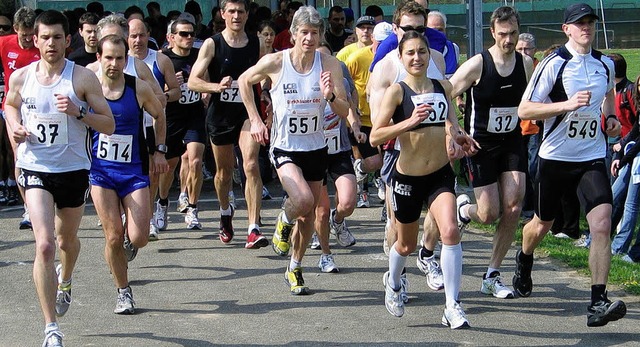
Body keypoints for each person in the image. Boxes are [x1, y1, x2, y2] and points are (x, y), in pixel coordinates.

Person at [4, 10, 114, 346]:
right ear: (34, 40)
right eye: (44, 37)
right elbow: (10, 105)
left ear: (69, 40)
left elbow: (108, 124)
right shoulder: (21, 78)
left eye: (57, 37)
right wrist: (14, 127)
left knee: (66, 241)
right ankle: (51, 328)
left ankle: (65, 279)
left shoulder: (82, 78)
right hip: (36, 168)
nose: (51, 43)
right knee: (45, 244)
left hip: (73, 171)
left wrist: (79, 111)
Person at [513, 3, 626, 327]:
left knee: (602, 222)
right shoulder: (553, 64)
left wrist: (611, 119)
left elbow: (607, 98)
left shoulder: (604, 64)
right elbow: (525, 110)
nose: (586, 28)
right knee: (542, 225)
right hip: (554, 159)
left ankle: (597, 302)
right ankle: (525, 257)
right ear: (566, 29)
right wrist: (565, 104)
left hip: (590, 157)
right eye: (579, 24)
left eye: (590, 22)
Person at [238, 6, 349, 293]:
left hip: (316, 146)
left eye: (315, 33)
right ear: (293, 35)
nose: (309, 39)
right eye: (304, 32)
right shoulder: (276, 62)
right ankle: (283, 220)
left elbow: (344, 109)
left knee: (309, 215)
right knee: (301, 200)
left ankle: (294, 267)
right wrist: (254, 119)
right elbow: (243, 81)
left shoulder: (330, 65)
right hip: (284, 146)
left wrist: (330, 96)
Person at [370, 30, 476, 327]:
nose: (417, 58)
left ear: (429, 55)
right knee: (405, 245)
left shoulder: (442, 87)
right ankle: (393, 283)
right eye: (411, 53)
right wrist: (408, 122)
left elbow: (451, 124)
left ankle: (452, 306)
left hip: (440, 174)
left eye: (422, 52)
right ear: (401, 58)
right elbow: (375, 135)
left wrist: (460, 137)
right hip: (408, 178)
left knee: (451, 232)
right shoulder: (397, 92)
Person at [450, 6, 533, 299]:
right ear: (492, 33)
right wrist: (455, 131)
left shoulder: (525, 64)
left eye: (512, 33)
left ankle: (492, 274)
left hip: (511, 142)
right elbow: (446, 92)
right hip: (480, 145)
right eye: (502, 34)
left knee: (514, 205)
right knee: (488, 214)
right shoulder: (478, 64)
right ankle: (464, 211)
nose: (508, 40)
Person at [368, 1, 446, 300]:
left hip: (436, 153)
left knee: (443, 215)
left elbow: (447, 100)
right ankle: (396, 278)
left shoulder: (435, 58)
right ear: (396, 28)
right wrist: (408, 123)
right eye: (408, 28)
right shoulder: (386, 65)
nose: (413, 34)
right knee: (398, 226)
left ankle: (427, 255)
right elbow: (378, 125)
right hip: (398, 153)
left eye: (419, 28)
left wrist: (453, 131)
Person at [91, 34, 167, 315]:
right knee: (112, 236)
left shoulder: (139, 88)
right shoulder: (90, 89)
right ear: (98, 58)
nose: (113, 63)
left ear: (126, 60)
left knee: (139, 237)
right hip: (101, 173)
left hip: (134, 171)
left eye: (119, 58)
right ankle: (123, 292)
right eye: (108, 57)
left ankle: (125, 245)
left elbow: (160, 115)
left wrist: (159, 151)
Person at [188, 0, 267, 248]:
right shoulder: (213, 44)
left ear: (246, 15)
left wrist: (265, 92)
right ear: (223, 14)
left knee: (251, 164)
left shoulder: (257, 43)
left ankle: (254, 227)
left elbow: (267, 74)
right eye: (231, 11)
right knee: (223, 174)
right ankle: (225, 211)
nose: (236, 16)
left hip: (248, 113)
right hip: (220, 115)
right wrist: (215, 87)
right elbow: (192, 81)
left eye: (240, 11)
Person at [311, 43, 362, 273]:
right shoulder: (303, 78)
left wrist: (355, 125)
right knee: (320, 209)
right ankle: (325, 254)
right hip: (313, 152)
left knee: (349, 202)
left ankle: (338, 221)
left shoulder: (339, 74)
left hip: (338, 148)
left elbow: (350, 101)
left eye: (326, 59)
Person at [127, 18, 179, 239]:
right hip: (126, 127)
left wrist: (161, 99)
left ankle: (147, 219)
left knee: (153, 173)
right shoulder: (118, 61)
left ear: (149, 35)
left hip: (153, 123)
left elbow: (176, 91)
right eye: (133, 36)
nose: (138, 40)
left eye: (141, 35)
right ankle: (129, 216)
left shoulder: (160, 60)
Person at [159, 19, 207, 231]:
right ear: (171, 37)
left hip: (194, 113)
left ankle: (192, 208)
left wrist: (206, 91)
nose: (189, 38)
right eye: (184, 34)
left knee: (195, 161)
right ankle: (162, 202)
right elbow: (153, 87)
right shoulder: (163, 59)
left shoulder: (199, 57)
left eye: (191, 34)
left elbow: (207, 78)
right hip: (172, 115)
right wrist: (169, 84)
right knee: (169, 165)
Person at [0, 7, 40, 230]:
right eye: (23, 34)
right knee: (18, 154)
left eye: (30, 34)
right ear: (15, 29)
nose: (27, 39)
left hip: (37, 110)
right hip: (12, 107)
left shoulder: (41, 47)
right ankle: (28, 207)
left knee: (37, 154)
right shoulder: (5, 43)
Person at [515, 32, 539, 223]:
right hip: (515, 127)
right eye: (520, 49)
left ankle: (531, 209)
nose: (524, 53)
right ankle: (520, 207)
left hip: (535, 128)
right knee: (518, 169)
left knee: (533, 168)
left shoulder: (540, 68)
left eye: (527, 49)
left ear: (534, 50)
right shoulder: (512, 66)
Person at [426, 10, 459, 78]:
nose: (436, 33)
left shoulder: (453, 48)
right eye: (432, 30)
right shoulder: (419, 53)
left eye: (440, 30)